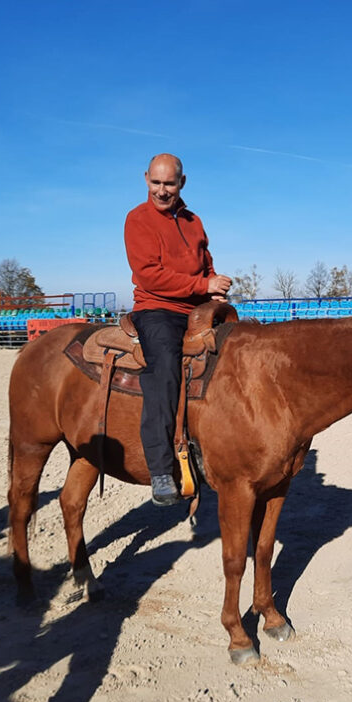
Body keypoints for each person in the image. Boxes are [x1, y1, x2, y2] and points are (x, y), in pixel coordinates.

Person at [124, 154, 232, 506]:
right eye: (156, 182)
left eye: (169, 183)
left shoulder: (193, 220)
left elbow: (206, 264)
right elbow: (149, 275)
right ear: (146, 179)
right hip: (158, 309)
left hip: (197, 308)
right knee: (165, 372)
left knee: (239, 354)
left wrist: (214, 289)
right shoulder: (137, 219)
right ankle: (160, 468)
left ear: (182, 183)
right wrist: (203, 285)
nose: (162, 190)